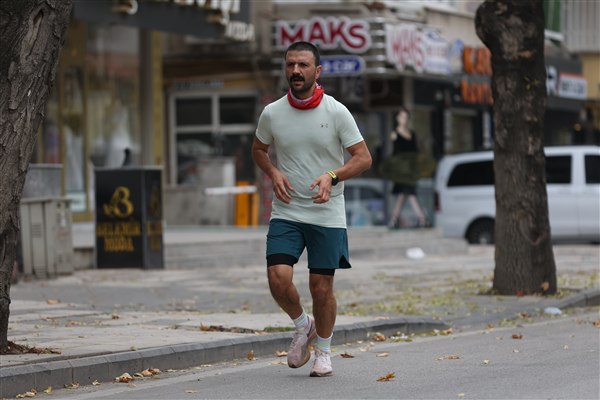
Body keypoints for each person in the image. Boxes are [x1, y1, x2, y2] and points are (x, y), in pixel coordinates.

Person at [252, 41, 372, 377]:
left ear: (317, 71)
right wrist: (273, 172)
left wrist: (332, 176)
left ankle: (324, 351)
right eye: (290, 64)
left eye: (303, 65)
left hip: (326, 211)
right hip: (287, 210)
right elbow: (259, 149)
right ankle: (303, 325)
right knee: (277, 278)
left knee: (321, 287)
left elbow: (363, 158)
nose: (295, 71)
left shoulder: (336, 112)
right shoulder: (272, 112)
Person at [386, 107, 428, 228]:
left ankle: (394, 220)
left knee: (404, 195)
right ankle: (422, 219)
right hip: (402, 170)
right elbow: (395, 153)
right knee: (409, 193)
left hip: (411, 169)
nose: (404, 119)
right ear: (397, 118)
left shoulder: (412, 134)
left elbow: (416, 151)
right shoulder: (395, 134)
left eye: (406, 117)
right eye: (402, 117)